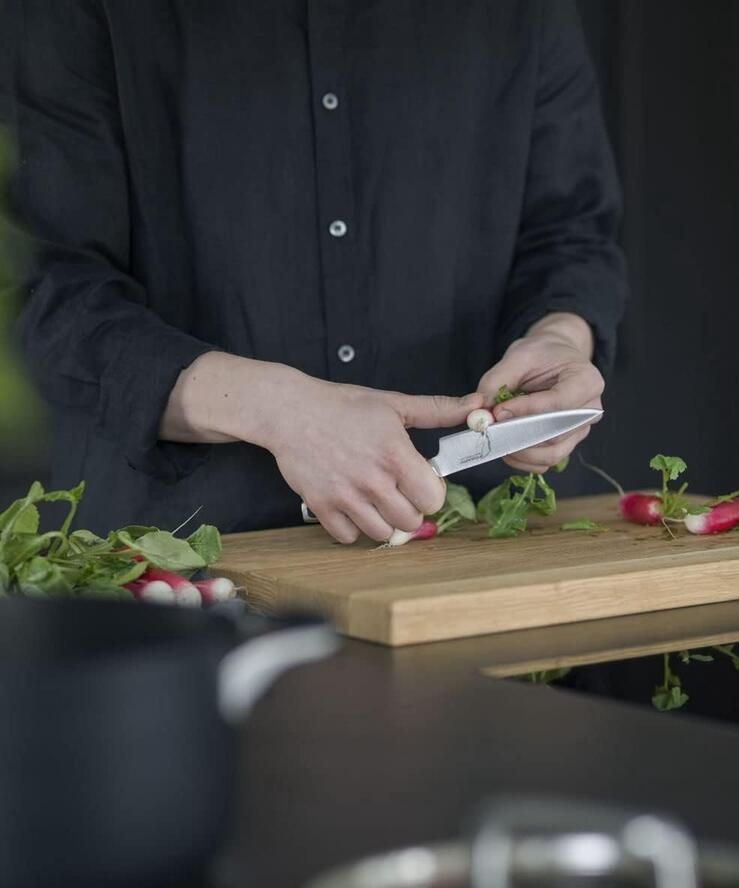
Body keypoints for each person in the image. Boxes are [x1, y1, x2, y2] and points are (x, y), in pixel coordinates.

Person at [2, 0, 626, 541]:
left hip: (471, 543)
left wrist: (560, 340)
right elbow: (40, 285)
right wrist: (276, 411)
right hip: (182, 570)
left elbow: (570, 230)